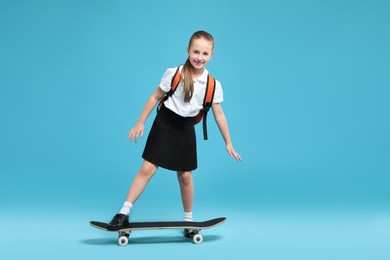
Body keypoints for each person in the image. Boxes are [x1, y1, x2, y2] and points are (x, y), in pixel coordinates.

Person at [107, 30, 242, 231]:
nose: (199, 57)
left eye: (205, 54)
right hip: (165, 122)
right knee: (148, 167)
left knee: (185, 175)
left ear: (212, 55)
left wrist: (228, 142)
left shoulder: (214, 85)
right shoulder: (175, 73)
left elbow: (219, 115)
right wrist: (140, 122)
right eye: (196, 52)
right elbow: (155, 97)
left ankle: (188, 221)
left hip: (186, 127)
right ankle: (123, 212)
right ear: (188, 50)